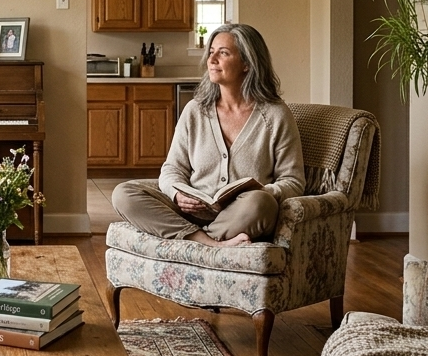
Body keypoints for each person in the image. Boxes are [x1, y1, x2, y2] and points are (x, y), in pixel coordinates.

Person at [112, 23, 304, 247]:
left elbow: (293, 181)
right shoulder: (195, 110)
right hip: (191, 212)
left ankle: (194, 239)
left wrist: (264, 190)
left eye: (223, 53)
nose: (211, 60)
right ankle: (209, 243)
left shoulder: (275, 115)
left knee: (262, 204)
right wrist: (177, 195)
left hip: (241, 213)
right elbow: (172, 168)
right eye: (211, 52)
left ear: (247, 63)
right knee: (123, 194)